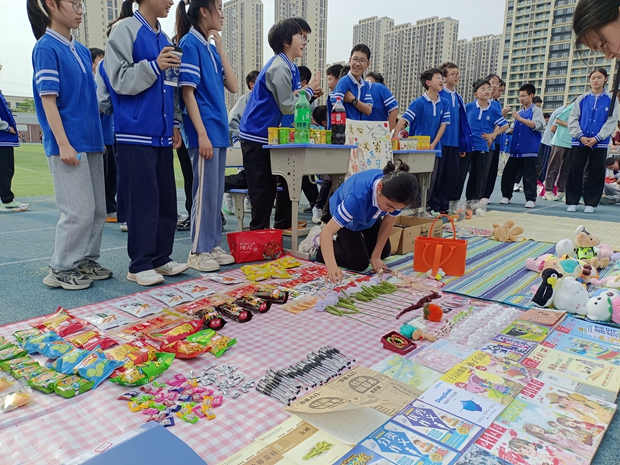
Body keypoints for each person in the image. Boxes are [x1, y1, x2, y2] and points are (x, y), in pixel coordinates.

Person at [27, 0, 111, 290]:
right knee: (78, 211)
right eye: (73, 2)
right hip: (68, 143)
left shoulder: (81, 50)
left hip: (91, 142)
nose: (79, 9)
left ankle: (85, 259)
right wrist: (63, 144)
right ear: (51, 4)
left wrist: (98, 140)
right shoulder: (46, 47)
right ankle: (61, 268)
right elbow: (48, 100)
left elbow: (88, 101)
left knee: (98, 209)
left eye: (80, 3)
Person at [104, 0, 188, 286]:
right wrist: (154, 65)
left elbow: (172, 87)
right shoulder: (124, 30)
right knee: (143, 202)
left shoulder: (165, 40)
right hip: (134, 133)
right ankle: (139, 264)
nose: (171, 2)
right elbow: (118, 80)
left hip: (162, 134)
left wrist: (175, 122)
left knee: (166, 200)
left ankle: (161, 258)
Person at [238, 18, 321, 230]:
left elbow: (289, 97)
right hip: (256, 135)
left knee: (268, 190)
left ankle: (266, 236)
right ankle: (259, 237)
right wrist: (309, 91)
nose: (304, 41)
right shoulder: (279, 67)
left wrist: (305, 93)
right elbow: (287, 105)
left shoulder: (288, 66)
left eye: (306, 37)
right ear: (286, 41)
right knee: (262, 192)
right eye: (301, 36)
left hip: (266, 135)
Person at [177, 0, 237, 272]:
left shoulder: (210, 48)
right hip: (205, 132)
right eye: (219, 7)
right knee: (203, 193)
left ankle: (212, 245)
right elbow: (187, 92)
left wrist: (221, 49)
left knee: (214, 193)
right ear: (203, 11)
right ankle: (198, 250)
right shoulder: (189, 43)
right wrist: (200, 134)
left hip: (218, 131)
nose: (222, 14)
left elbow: (233, 86)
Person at [317, 161, 419, 280]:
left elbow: (388, 222)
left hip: (370, 215)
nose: (391, 211)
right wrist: (332, 267)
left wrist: (376, 256)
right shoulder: (356, 198)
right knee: (359, 262)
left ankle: (352, 246)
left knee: (384, 252)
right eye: (389, 206)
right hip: (347, 217)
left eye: (396, 209)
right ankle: (321, 248)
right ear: (379, 188)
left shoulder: (395, 197)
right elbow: (327, 232)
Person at [394, 68, 450, 211]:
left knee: (430, 180)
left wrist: (433, 144)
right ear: (428, 82)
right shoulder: (418, 103)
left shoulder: (444, 103)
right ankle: (415, 209)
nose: (441, 81)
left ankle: (424, 207)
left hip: (434, 149)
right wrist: (394, 137)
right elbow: (404, 120)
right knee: (415, 180)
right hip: (416, 149)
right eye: (438, 78)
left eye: (442, 78)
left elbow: (443, 125)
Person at [566, 67, 619, 213]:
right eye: (593, 78)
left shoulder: (611, 100)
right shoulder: (582, 98)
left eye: (599, 77)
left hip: (600, 143)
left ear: (605, 79)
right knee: (575, 170)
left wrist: (598, 137)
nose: (595, 80)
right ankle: (572, 201)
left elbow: (612, 121)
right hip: (579, 141)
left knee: (596, 172)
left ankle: (590, 203)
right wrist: (580, 136)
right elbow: (573, 118)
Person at [430, 62, 474, 213]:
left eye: (457, 73)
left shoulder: (458, 97)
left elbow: (462, 122)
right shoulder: (439, 94)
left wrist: (463, 143)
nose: (457, 77)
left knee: (451, 176)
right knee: (438, 175)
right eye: (453, 74)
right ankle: (434, 205)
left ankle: (445, 206)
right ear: (443, 77)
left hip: (454, 143)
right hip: (440, 142)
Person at [455, 79, 508, 203]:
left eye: (488, 89)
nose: (487, 91)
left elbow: (505, 125)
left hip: (483, 146)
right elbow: (460, 124)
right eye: (483, 89)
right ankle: (454, 201)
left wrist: (492, 135)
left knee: (479, 175)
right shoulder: (468, 107)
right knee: (460, 174)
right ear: (476, 94)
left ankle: (473, 201)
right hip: (467, 146)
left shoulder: (493, 109)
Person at [500, 83, 545, 208]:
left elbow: (537, 125)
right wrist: (503, 117)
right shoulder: (519, 112)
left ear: (531, 95)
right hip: (516, 149)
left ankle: (531, 198)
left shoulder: (536, 111)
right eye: (520, 96)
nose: (521, 98)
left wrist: (520, 119)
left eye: (524, 96)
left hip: (529, 149)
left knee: (529, 175)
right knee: (508, 174)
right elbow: (511, 130)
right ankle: (506, 195)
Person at [90, 48, 118, 223]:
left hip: (109, 136)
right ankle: (105, 208)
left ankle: (110, 206)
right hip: (100, 139)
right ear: (92, 64)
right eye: (100, 60)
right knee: (103, 176)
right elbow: (98, 110)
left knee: (112, 174)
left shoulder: (104, 82)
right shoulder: (94, 85)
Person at [481, 74, 509, 202]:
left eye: (497, 83)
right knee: (480, 169)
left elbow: (499, 122)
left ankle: (486, 195)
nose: (495, 86)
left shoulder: (496, 104)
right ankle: (477, 194)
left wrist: (492, 137)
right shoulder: (481, 101)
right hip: (481, 140)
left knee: (491, 169)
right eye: (493, 82)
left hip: (494, 141)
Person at [0, 90, 29, 213]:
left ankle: (5, 199)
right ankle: (7, 201)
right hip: (3, 138)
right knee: (5, 170)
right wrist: (6, 127)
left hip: (4, 138)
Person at [543, 100, 575, 201]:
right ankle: (548, 191)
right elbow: (558, 120)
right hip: (560, 141)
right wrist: (572, 126)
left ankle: (561, 191)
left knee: (566, 168)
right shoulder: (572, 107)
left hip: (571, 142)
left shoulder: (584, 110)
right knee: (554, 166)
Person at [333, 44, 373, 120]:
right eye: (355, 59)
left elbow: (368, 110)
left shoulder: (365, 85)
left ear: (368, 64)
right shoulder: (344, 81)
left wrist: (353, 100)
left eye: (362, 60)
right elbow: (335, 105)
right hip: (343, 126)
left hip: (356, 126)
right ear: (350, 60)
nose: (357, 64)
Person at [228, 70, 259, 143]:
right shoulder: (245, 99)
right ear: (251, 84)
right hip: (247, 143)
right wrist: (241, 138)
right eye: (260, 81)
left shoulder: (262, 101)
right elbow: (232, 120)